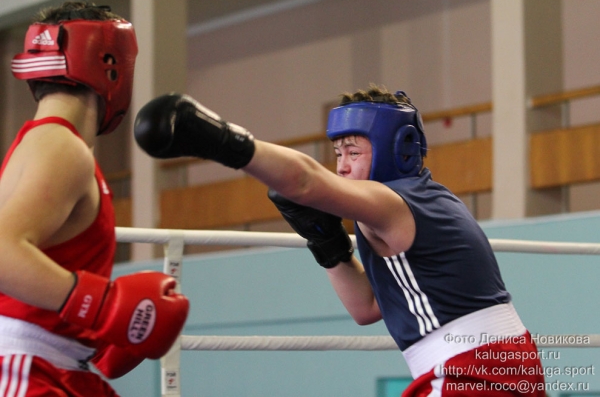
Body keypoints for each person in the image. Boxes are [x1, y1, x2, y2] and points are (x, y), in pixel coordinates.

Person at [133, 85, 545, 396]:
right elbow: (367, 308)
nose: (342, 167)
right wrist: (327, 243)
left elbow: (304, 181)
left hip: (473, 371)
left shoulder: (396, 203)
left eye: (354, 152)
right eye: (337, 154)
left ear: (396, 149)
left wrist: (218, 140)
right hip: (489, 365)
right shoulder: (407, 207)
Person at [0, 1, 189, 396]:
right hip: (29, 368)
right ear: (113, 68)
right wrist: (103, 306)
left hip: (59, 365)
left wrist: (101, 335)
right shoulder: (60, 146)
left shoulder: (49, 143)